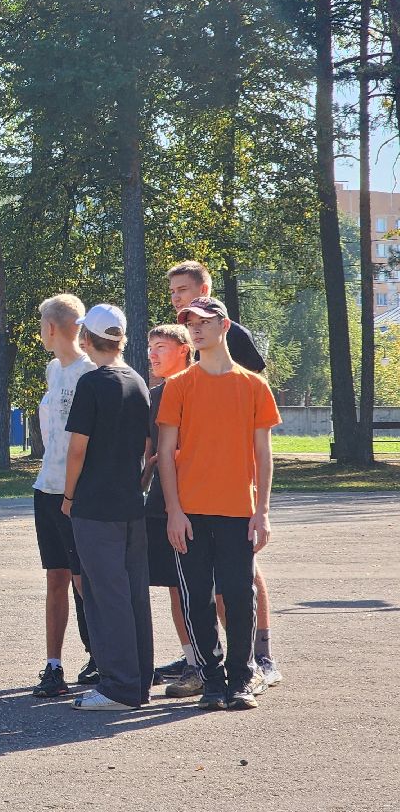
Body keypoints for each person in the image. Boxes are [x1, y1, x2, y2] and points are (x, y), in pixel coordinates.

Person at [156, 295, 280, 712]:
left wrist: (262, 512)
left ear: (224, 326)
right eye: (190, 323)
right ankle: (211, 679)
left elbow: (263, 454)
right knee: (197, 598)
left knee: (240, 595)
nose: (196, 329)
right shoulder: (178, 386)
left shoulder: (254, 386)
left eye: (204, 322)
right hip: (190, 512)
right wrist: (174, 510)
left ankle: (241, 678)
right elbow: (166, 453)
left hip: (238, 510)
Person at [61, 305, 153, 711]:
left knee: (104, 596)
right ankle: (138, 682)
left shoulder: (92, 383)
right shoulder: (138, 381)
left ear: (86, 339)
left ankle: (118, 687)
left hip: (95, 504)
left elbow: (76, 449)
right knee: (133, 596)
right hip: (130, 502)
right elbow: (147, 445)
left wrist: (68, 497)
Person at [30, 294, 96, 698]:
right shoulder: (54, 369)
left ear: (52, 328)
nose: (41, 332)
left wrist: (72, 493)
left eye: (42, 325)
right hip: (47, 487)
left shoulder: (90, 372)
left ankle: (100, 654)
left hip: (78, 492)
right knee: (56, 576)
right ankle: (54, 665)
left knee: (83, 578)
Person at [142, 325, 200, 695]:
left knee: (209, 589)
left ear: (184, 349)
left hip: (198, 503)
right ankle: (193, 663)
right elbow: (149, 450)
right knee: (175, 588)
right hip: (160, 505)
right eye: (150, 347)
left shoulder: (200, 388)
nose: (153, 355)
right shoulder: (154, 395)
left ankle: (234, 661)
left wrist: (174, 456)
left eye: (161, 347)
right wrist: (144, 473)